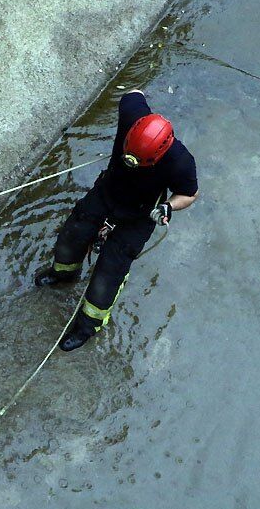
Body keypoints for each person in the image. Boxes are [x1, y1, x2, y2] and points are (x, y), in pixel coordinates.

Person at [34, 90, 198, 351]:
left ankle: (88, 325)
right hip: (107, 192)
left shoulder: (179, 161)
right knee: (71, 236)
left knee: (108, 275)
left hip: (140, 215)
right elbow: (134, 93)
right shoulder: (133, 113)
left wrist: (168, 206)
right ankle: (63, 273)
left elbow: (190, 194)